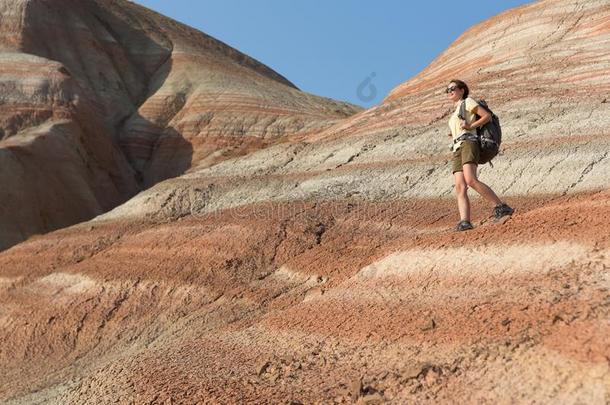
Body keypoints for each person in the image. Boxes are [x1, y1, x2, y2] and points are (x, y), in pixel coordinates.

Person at [445, 79, 513, 231]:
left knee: (470, 180)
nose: (449, 91)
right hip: (457, 148)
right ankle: (465, 221)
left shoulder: (467, 102)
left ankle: (501, 207)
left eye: (453, 88)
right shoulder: (455, 111)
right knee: (460, 186)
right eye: (447, 90)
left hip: (468, 143)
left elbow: (486, 116)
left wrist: (470, 126)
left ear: (462, 90)